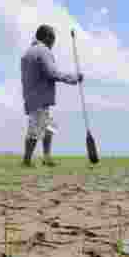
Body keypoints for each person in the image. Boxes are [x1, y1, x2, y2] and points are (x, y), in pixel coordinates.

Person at [20, 24, 83, 167]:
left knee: (50, 126)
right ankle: (27, 160)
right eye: (53, 39)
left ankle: (46, 157)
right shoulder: (43, 51)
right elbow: (52, 73)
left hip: (31, 96)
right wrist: (73, 78)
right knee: (35, 130)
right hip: (39, 98)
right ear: (47, 37)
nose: (54, 43)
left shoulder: (27, 53)